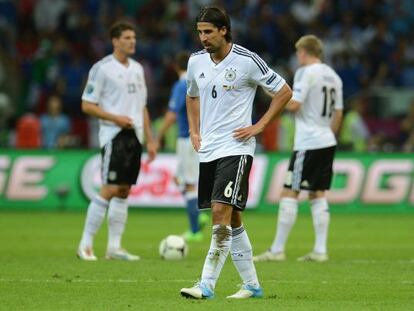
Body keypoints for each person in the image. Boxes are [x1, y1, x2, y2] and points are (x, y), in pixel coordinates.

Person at [180, 7, 292, 299]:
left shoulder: (247, 61)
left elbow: (284, 91)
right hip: (209, 149)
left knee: (220, 213)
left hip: (237, 148)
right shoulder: (195, 62)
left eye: (208, 32)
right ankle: (252, 285)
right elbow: (191, 95)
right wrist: (194, 130)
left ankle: (206, 284)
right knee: (233, 218)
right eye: (200, 32)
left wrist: (261, 125)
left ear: (224, 30)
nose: (203, 37)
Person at [254, 34, 343, 263]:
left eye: (297, 53)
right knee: (317, 193)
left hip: (308, 142)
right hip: (326, 140)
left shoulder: (306, 72)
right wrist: (329, 135)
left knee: (289, 192)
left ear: (303, 52)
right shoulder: (334, 76)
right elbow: (339, 112)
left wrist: (271, 92)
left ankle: (277, 250)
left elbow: (293, 104)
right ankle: (320, 251)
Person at [77, 21, 156, 261]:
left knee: (124, 190)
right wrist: (115, 118)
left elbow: (142, 106)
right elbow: (87, 105)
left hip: (135, 135)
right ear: (115, 41)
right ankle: (86, 244)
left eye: (134, 37)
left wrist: (150, 140)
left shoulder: (137, 68)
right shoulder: (102, 69)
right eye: (127, 38)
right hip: (114, 134)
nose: (132, 41)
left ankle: (114, 247)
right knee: (110, 188)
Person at [156, 51, 208, 242]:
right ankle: (199, 214)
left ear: (175, 67)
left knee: (188, 183)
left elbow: (171, 114)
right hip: (201, 136)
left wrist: (157, 136)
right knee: (182, 180)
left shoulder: (181, 84)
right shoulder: (201, 82)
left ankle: (195, 229)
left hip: (187, 138)